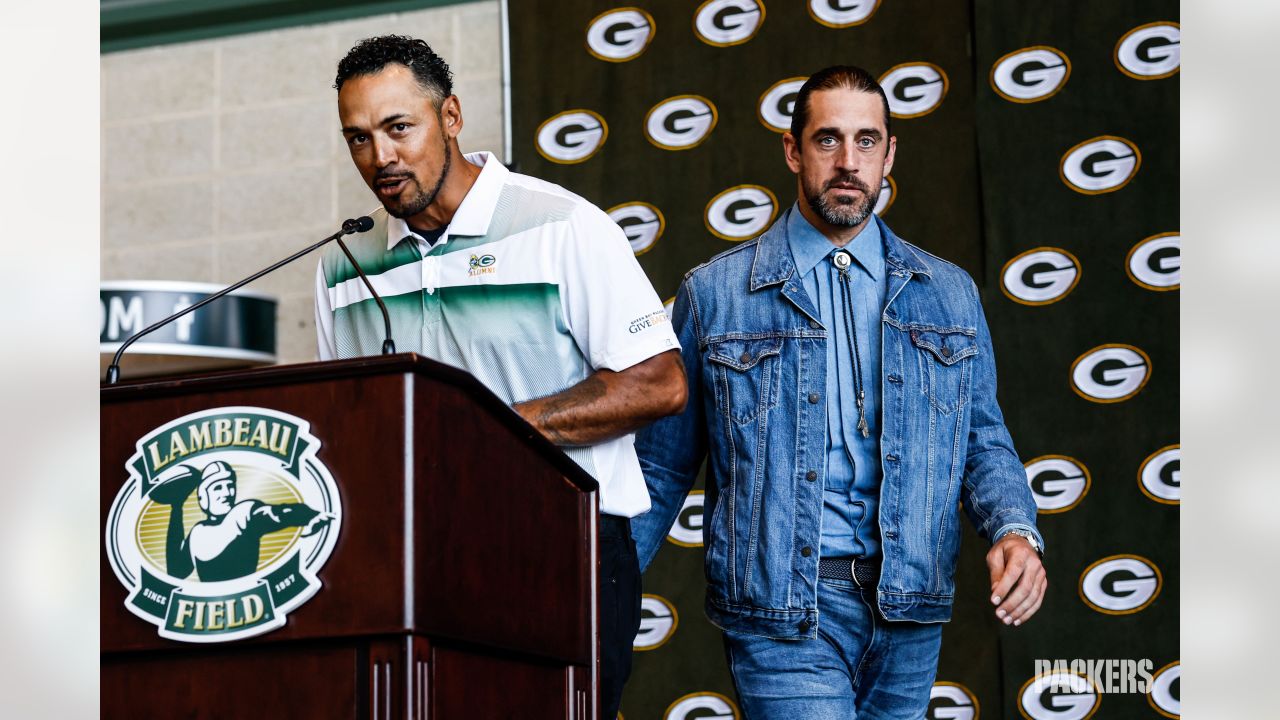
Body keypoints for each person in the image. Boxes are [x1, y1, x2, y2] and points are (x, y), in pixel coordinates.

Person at [632, 65, 1047, 718]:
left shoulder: (949, 293)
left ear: (889, 153)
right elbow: (660, 465)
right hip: (783, 611)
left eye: (866, 141)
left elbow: (982, 438)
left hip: (908, 607)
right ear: (793, 150)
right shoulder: (715, 296)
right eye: (827, 140)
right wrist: (602, 585)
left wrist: (1014, 528)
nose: (848, 162)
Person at [314, 35, 686, 718]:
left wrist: (485, 432)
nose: (381, 158)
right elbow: (353, 422)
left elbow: (658, 383)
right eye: (359, 138)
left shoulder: (562, 226)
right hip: (415, 560)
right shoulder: (341, 265)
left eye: (400, 128)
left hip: (562, 546)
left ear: (451, 116)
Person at [155, 461, 332, 582]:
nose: (227, 493)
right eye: (217, 487)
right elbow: (176, 571)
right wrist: (176, 507)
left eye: (230, 486)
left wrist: (309, 515)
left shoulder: (243, 513)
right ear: (203, 497)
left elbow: (278, 513)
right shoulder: (197, 533)